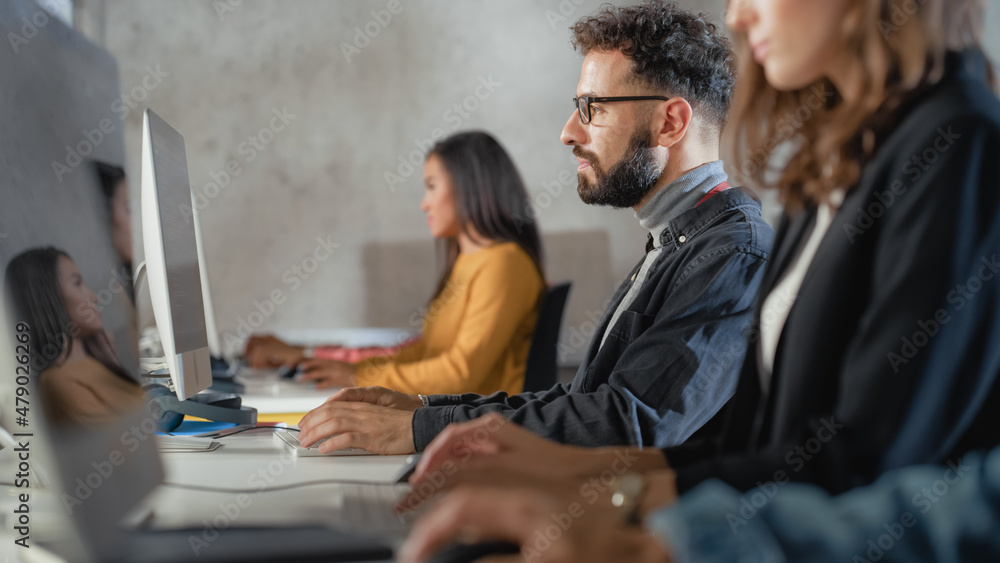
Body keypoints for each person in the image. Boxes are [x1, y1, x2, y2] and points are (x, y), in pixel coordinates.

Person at [396, 0, 1000, 557]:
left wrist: (609, 506)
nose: (738, 15)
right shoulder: (832, 168)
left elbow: (863, 468)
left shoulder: (957, 144)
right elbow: (754, 449)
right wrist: (559, 472)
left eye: (592, 109)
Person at [297, 2, 774, 455]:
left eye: (594, 108)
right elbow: (586, 401)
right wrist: (424, 409)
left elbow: (628, 424)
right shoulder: (672, 244)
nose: (569, 131)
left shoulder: (733, 255)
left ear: (670, 122)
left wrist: (423, 430)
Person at [249, 131, 547, 397]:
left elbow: (459, 374)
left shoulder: (503, 264)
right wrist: (331, 363)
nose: (424, 203)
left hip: (476, 426)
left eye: (431, 186)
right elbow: (426, 353)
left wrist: (359, 376)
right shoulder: (472, 261)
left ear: (469, 187)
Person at [6, 247, 144, 427]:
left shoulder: (96, 363)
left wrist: (115, 366)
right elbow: (128, 444)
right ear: (47, 297)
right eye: (77, 283)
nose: (93, 296)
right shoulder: (59, 382)